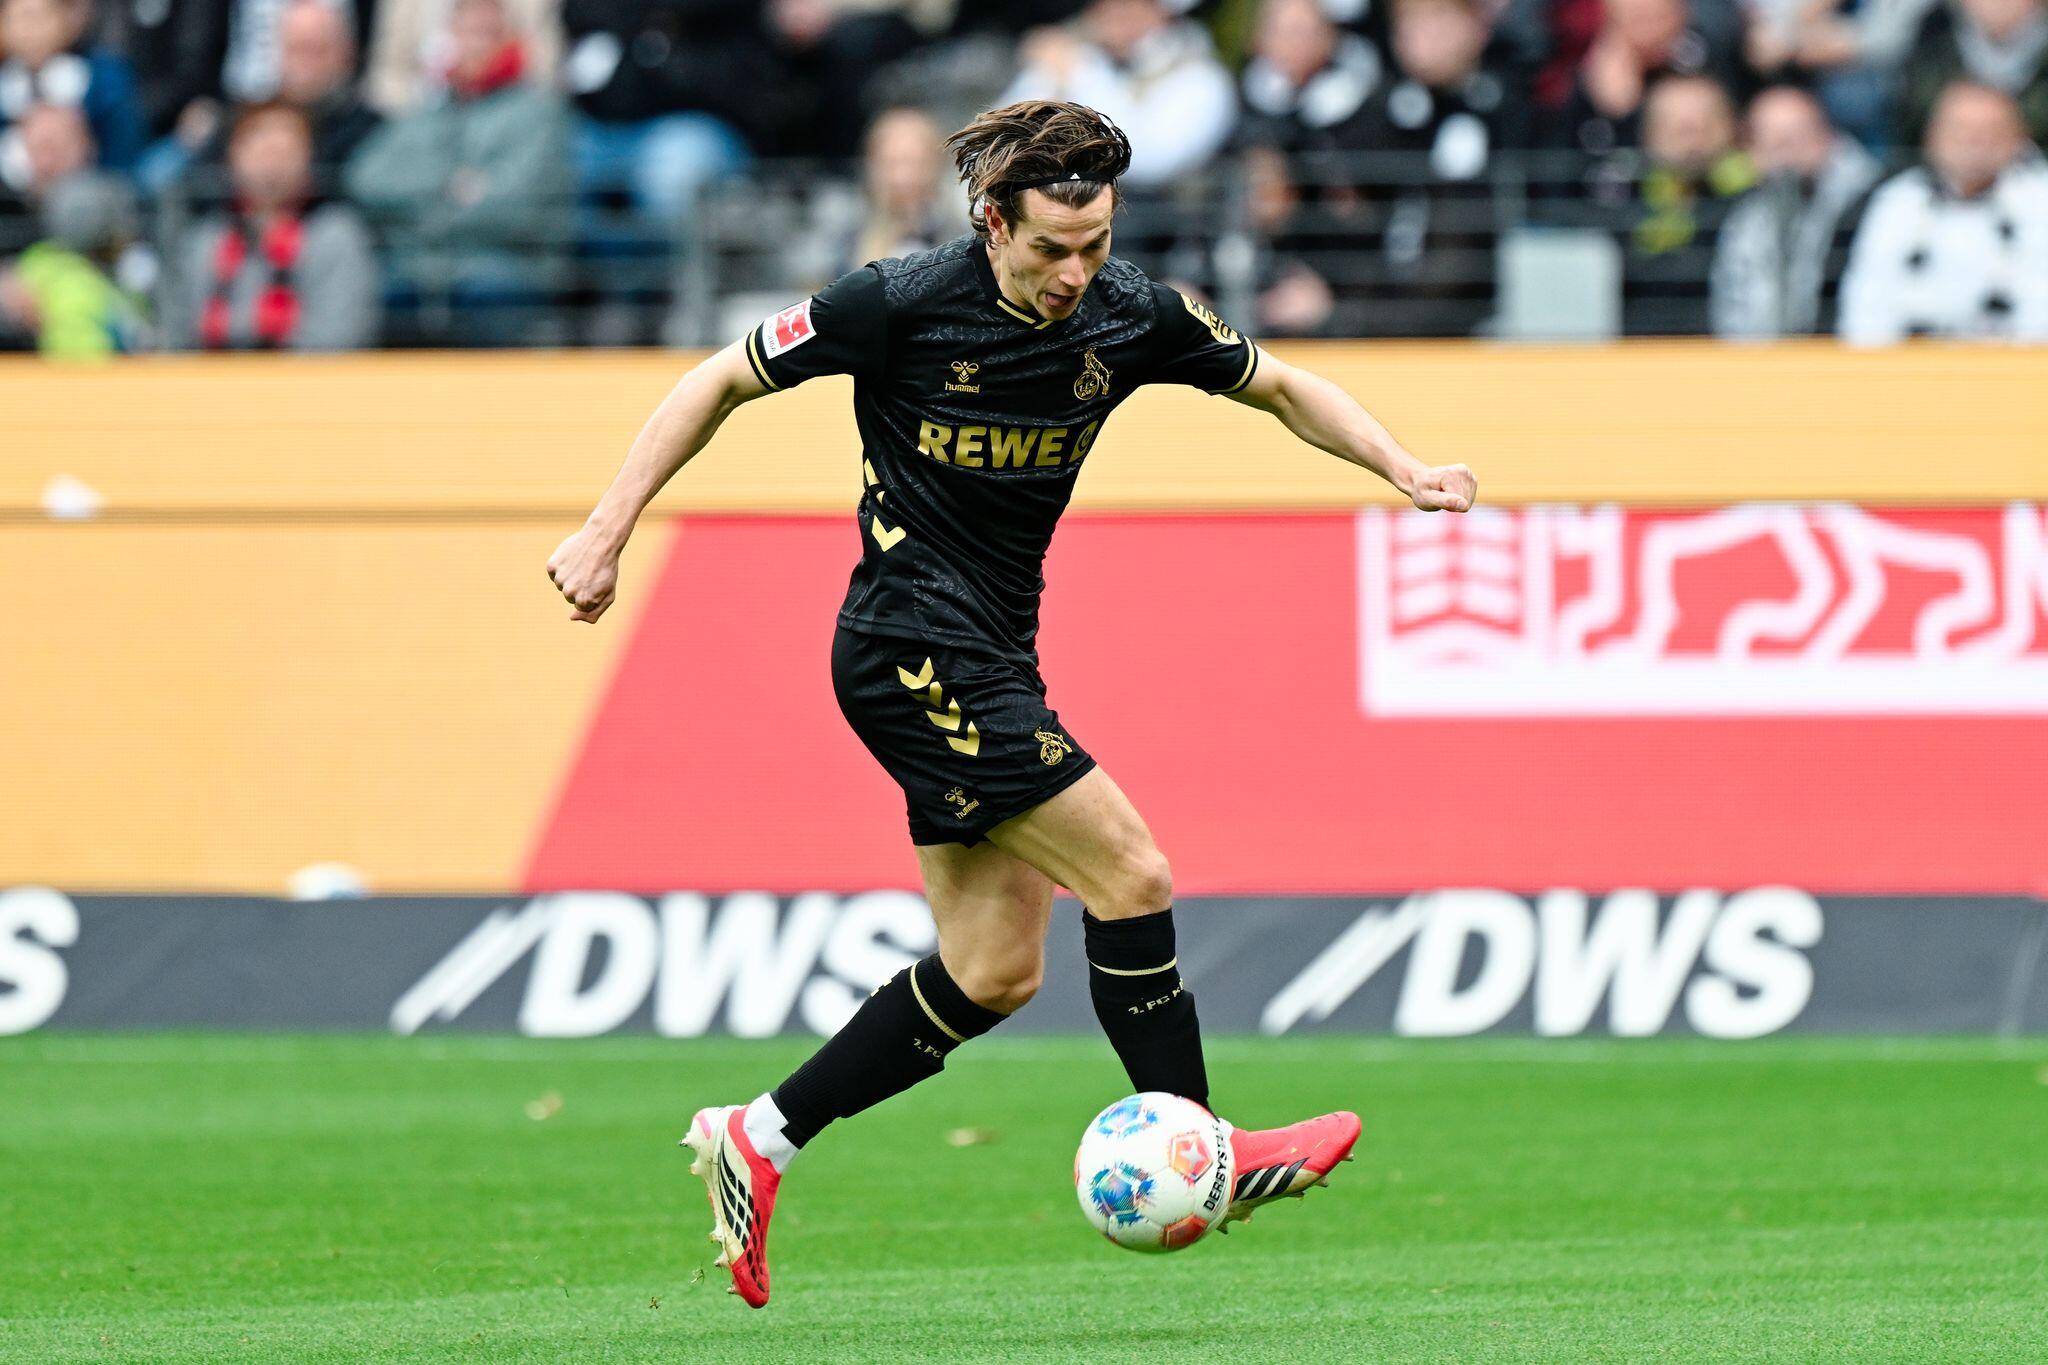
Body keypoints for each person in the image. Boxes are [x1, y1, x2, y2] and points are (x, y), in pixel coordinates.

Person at [544, 99, 1478, 1309]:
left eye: (1094, 245)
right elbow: (718, 379)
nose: (1073, 274)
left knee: (990, 971)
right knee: (1130, 874)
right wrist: (605, 531)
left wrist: (1401, 467)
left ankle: (756, 1137)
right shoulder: (896, 301)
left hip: (992, 653)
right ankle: (1205, 1147)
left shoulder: (1130, 313)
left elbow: (1279, 385)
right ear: (992, 222)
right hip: (908, 645)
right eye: (1049, 249)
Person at [346, 0, 570, 344]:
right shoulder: (426, 112)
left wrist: (422, 215)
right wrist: (448, 187)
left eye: (487, 33)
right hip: (418, 271)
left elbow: (518, 209)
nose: (475, 44)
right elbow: (366, 180)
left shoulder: (539, 113)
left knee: (489, 290)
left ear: (510, 40)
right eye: (465, 32)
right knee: (375, 289)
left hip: (505, 271)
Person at [1838, 80, 2048, 341]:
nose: (1975, 142)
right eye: (1961, 129)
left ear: (2019, 137)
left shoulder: (2040, 201)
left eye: (1991, 130)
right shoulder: (1898, 200)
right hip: (1909, 361)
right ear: (1932, 136)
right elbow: (1866, 301)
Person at [162, 100, 380, 348]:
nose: (272, 165)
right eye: (261, 151)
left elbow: (338, 338)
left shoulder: (335, 235)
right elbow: (178, 331)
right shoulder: (206, 240)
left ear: (310, 160)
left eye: (285, 152)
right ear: (231, 157)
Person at [1710, 84, 1879, 337]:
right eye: (1773, 140)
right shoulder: (1742, 212)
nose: (1786, 152)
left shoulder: (1872, 204)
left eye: (1798, 135)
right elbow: (1732, 303)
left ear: (1827, 135)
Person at [0, 0, 145, 172]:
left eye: (37, 17)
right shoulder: (6, 83)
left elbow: (125, 146)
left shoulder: (104, 76)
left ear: (69, 19)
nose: (28, 30)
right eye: (17, 18)